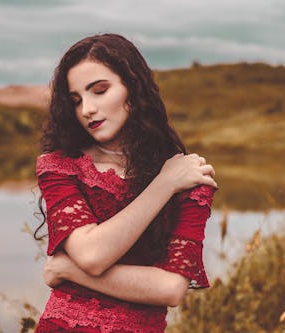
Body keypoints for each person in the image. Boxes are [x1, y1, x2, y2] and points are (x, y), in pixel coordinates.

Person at [34, 33, 217, 333]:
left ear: (133, 88)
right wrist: (164, 184)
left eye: (99, 90)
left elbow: (170, 288)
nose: (87, 110)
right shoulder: (60, 167)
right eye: (76, 100)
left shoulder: (190, 180)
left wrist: (69, 270)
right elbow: (93, 256)